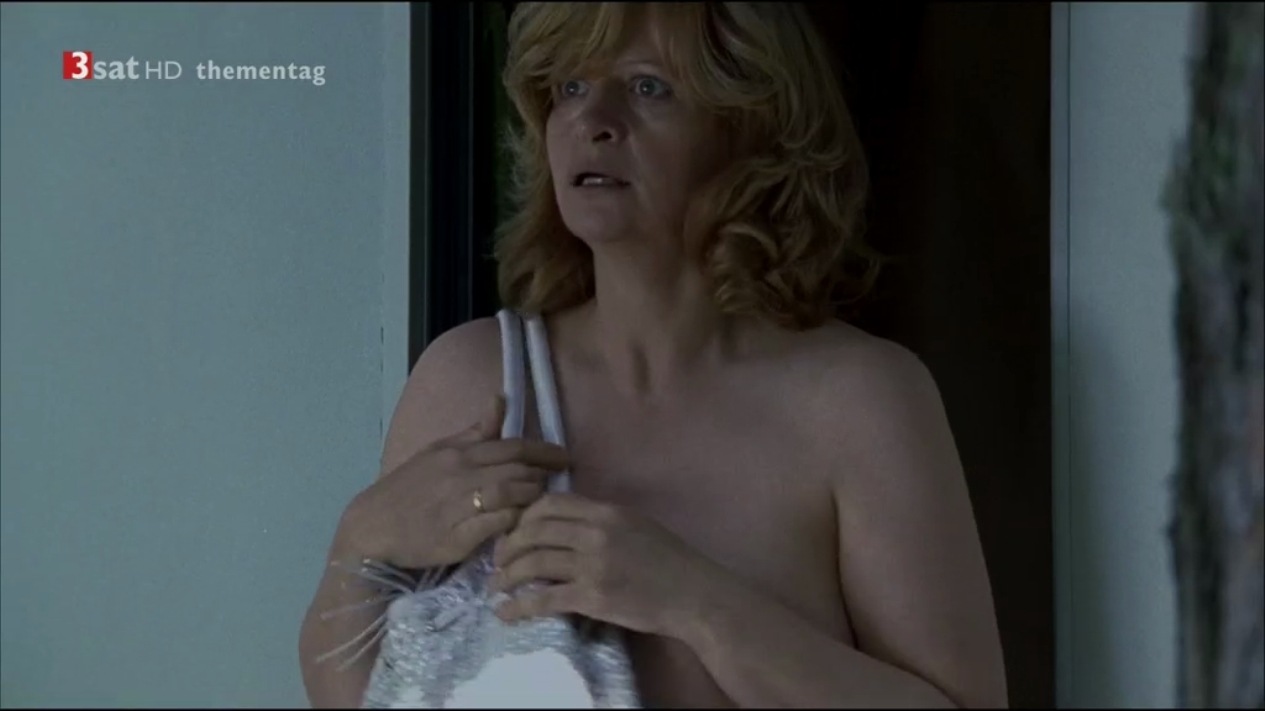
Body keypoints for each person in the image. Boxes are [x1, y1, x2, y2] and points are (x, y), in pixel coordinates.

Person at [298, 2, 1008, 707]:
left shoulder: (860, 400)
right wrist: (358, 545)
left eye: (648, 87)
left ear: (751, 130)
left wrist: (693, 601)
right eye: (571, 86)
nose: (593, 119)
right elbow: (358, 694)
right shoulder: (474, 378)